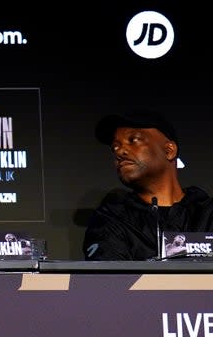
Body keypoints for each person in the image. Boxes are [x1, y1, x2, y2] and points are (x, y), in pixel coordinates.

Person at [83, 110, 213, 260]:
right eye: (115, 147)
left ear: (169, 150)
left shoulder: (208, 213)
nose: (120, 152)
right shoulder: (111, 219)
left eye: (133, 140)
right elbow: (110, 282)